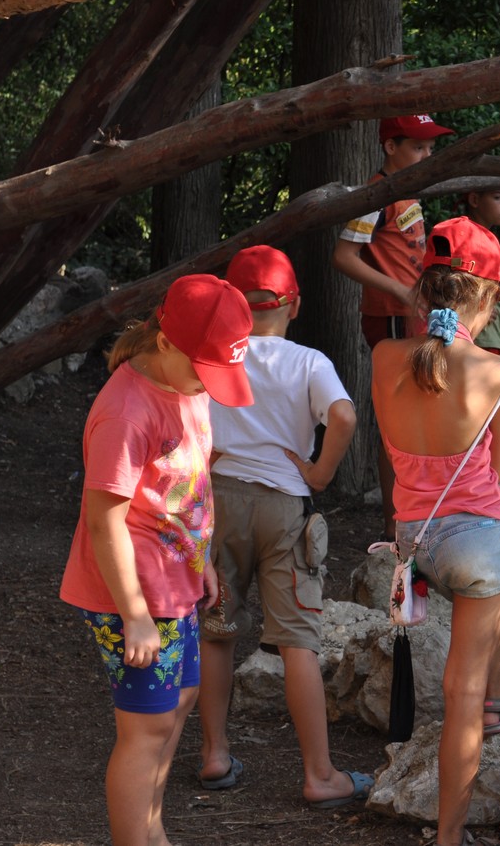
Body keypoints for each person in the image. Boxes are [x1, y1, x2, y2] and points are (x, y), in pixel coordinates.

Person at [59, 274, 253, 846]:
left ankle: (152, 831)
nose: (210, 385)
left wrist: (202, 559)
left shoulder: (186, 384)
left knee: (178, 705)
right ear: (166, 342)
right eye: (205, 370)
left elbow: (186, 488)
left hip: (175, 583)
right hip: (135, 596)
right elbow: (103, 521)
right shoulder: (126, 412)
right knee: (146, 731)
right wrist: (135, 614)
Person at [195, 245, 369, 808]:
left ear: (232, 305)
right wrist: (320, 473)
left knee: (217, 629)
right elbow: (343, 415)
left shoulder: (213, 356)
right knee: (297, 641)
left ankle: (215, 754)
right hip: (283, 509)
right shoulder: (310, 362)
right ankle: (319, 775)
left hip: (220, 504)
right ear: (293, 304)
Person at [371, 216, 500, 846]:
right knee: (462, 692)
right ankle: (450, 837)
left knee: (475, 649)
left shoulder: (384, 358)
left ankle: (495, 694)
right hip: (476, 544)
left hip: (414, 538)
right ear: (485, 300)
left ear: (422, 290)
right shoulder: (497, 372)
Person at [332, 112, 455, 542]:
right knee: (398, 419)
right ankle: (395, 523)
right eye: (418, 147)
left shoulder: (407, 191)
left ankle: (411, 514)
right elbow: (343, 257)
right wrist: (401, 292)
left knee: (417, 411)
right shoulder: (375, 196)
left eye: (430, 147)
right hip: (389, 317)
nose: (427, 155)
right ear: (390, 147)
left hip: (411, 314)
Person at [463, 186, 500, 426]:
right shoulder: (465, 236)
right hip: (481, 338)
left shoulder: (486, 236)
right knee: (498, 418)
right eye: (498, 197)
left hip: (495, 338)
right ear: (474, 199)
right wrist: (473, 310)